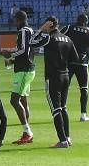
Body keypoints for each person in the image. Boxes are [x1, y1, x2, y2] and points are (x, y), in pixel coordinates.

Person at [30, 16, 80, 148]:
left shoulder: (48, 38)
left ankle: (62, 140)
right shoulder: (67, 39)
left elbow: (31, 41)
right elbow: (75, 58)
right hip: (65, 76)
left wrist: (42, 29)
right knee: (63, 108)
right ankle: (67, 138)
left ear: (50, 24)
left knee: (56, 109)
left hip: (53, 77)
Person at [61, 14, 89, 122]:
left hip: (69, 63)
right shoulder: (88, 32)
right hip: (82, 64)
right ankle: (83, 115)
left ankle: (61, 111)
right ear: (86, 21)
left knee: (64, 88)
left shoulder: (69, 28)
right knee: (84, 89)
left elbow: (57, 37)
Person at [4, 11, 36, 145]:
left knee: (14, 99)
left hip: (24, 70)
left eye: (15, 20)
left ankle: (28, 132)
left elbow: (23, 50)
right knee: (23, 100)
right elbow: (25, 51)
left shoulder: (24, 31)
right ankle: (26, 133)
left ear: (19, 20)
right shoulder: (29, 31)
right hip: (25, 68)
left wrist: (10, 54)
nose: (15, 23)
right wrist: (11, 61)